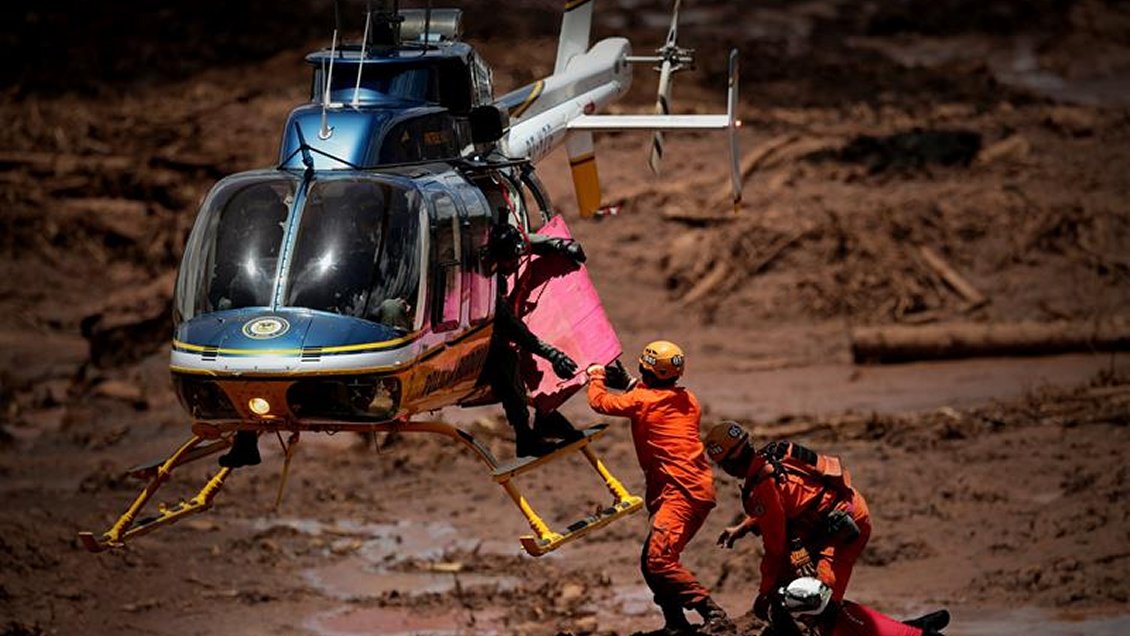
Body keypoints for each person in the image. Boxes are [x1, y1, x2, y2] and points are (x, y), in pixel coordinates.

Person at [585, 341, 731, 635]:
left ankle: (713, 613)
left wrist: (596, 375)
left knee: (659, 560)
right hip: (688, 489)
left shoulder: (643, 401)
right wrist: (630, 384)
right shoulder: (688, 399)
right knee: (650, 562)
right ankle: (675, 622)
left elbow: (600, 402)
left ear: (645, 369)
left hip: (682, 494)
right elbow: (653, 399)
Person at [704, 421, 872, 630]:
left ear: (731, 463)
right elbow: (788, 503)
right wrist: (745, 527)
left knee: (819, 596)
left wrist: (765, 592)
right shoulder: (777, 453)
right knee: (787, 581)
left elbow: (775, 547)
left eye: (723, 466)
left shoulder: (763, 485)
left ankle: (837, 625)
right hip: (830, 515)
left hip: (843, 525)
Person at [482, 221, 583, 458]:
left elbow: (525, 242)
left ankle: (546, 415)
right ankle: (524, 437)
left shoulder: (490, 244)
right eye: (510, 260)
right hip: (467, 345)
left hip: (491, 331)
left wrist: (559, 245)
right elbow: (517, 332)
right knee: (505, 358)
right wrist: (553, 355)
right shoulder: (483, 284)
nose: (515, 264)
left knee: (519, 353)